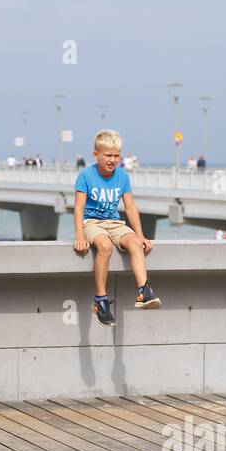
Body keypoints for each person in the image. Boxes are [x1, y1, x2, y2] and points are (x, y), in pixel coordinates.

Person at [73, 129, 160, 327]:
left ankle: (143, 292)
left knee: (135, 244)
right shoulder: (85, 176)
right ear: (96, 155)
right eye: (108, 155)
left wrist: (141, 235)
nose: (113, 160)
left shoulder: (122, 177)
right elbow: (78, 208)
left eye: (116, 156)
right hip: (92, 223)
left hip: (115, 223)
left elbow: (130, 207)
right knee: (104, 246)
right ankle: (100, 300)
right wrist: (79, 236)